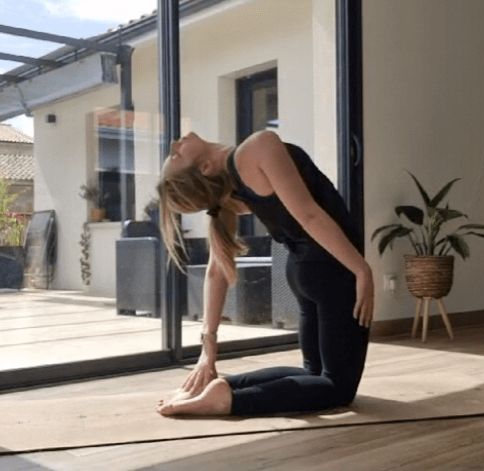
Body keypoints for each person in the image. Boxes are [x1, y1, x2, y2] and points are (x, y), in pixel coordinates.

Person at [155, 130, 373, 416]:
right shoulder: (256, 149)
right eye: (176, 155)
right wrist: (361, 269)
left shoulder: (232, 192)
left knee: (314, 373)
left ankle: (223, 387)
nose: (175, 144)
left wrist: (209, 348)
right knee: (337, 389)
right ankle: (229, 401)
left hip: (303, 273)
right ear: (206, 167)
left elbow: (215, 272)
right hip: (333, 272)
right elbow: (308, 215)